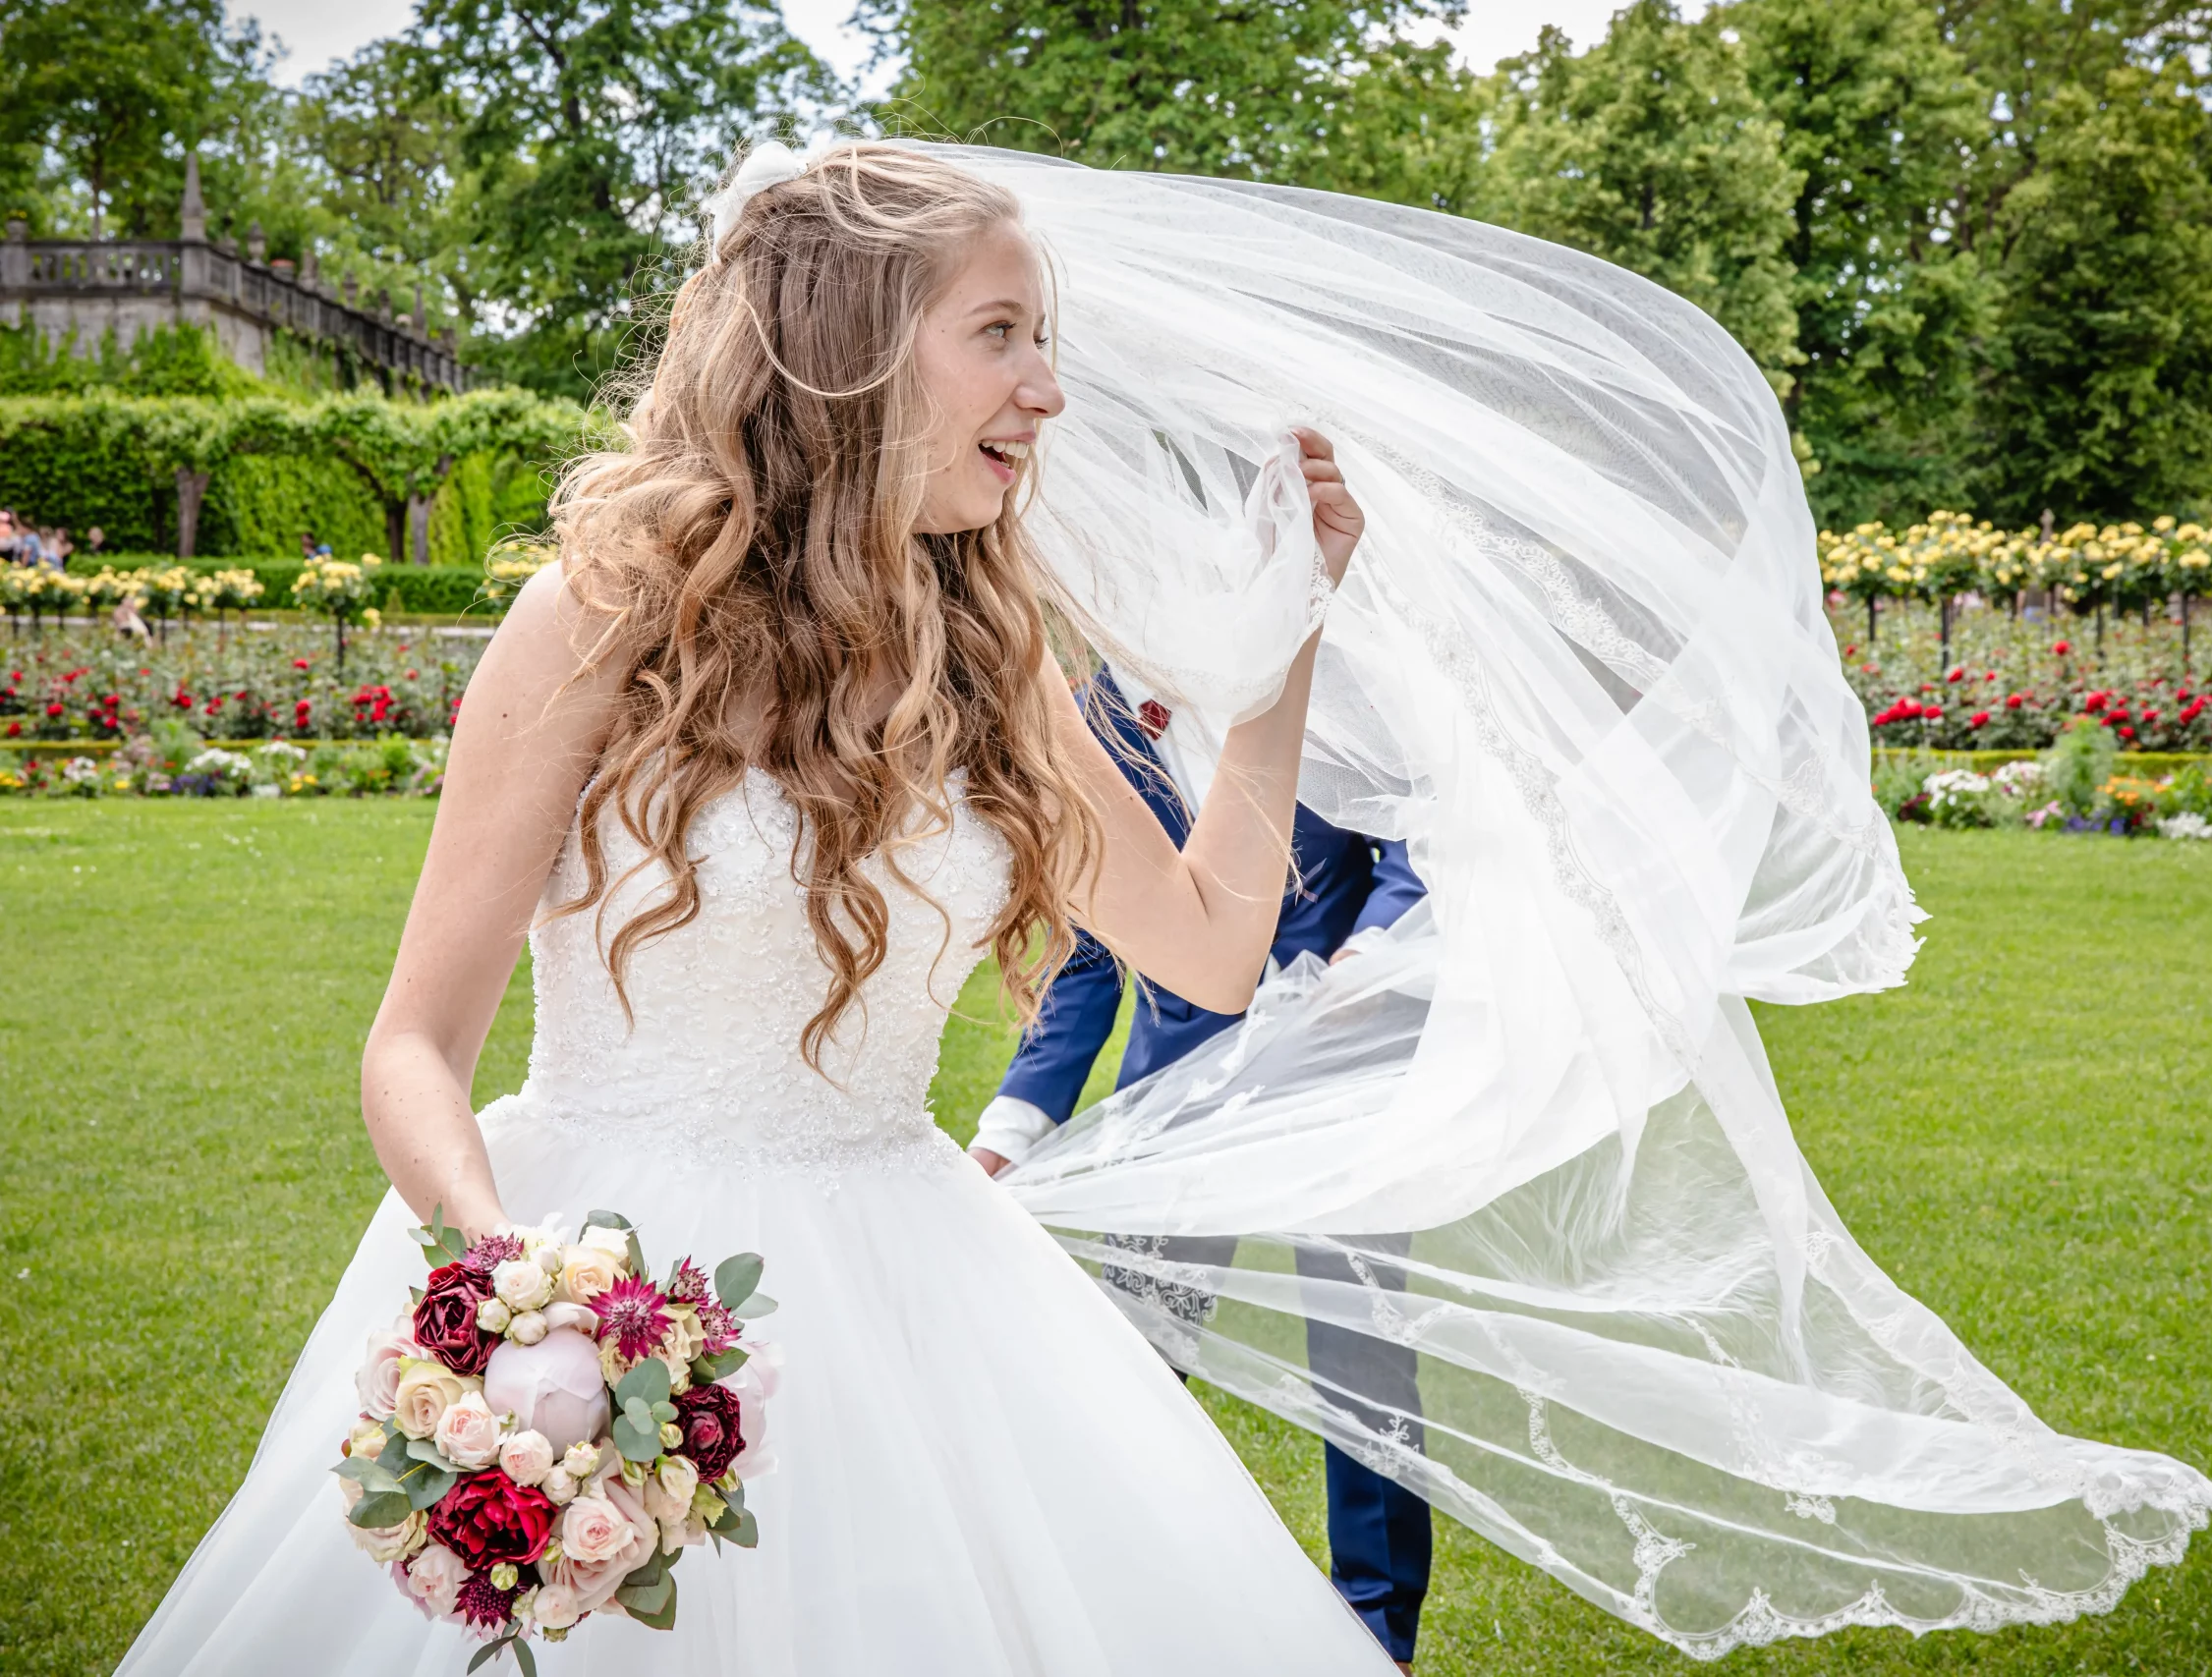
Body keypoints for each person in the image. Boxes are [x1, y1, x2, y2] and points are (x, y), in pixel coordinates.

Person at [117, 143, 1394, 1674]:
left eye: (1040, 339)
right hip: (587, 1263)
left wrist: (1286, 632)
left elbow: (1212, 942)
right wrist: (515, 1293)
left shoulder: (988, 649)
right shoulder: (598, 616)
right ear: (849, 341)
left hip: (916, 1300)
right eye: (1000, 332)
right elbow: (412, 1043)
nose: (1048, 388)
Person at [968, 667, 1432, 1669]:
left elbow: (1419, 845)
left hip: (1335, 1085)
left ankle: (1377, 1630)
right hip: (1169, 1108)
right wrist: (1011, 1127)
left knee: (1362, 1363)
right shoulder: (1096, 709)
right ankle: (1112, 1607)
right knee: (1134, 1364)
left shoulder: (1338, 674)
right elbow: (1090, 953)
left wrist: (1371, 952)